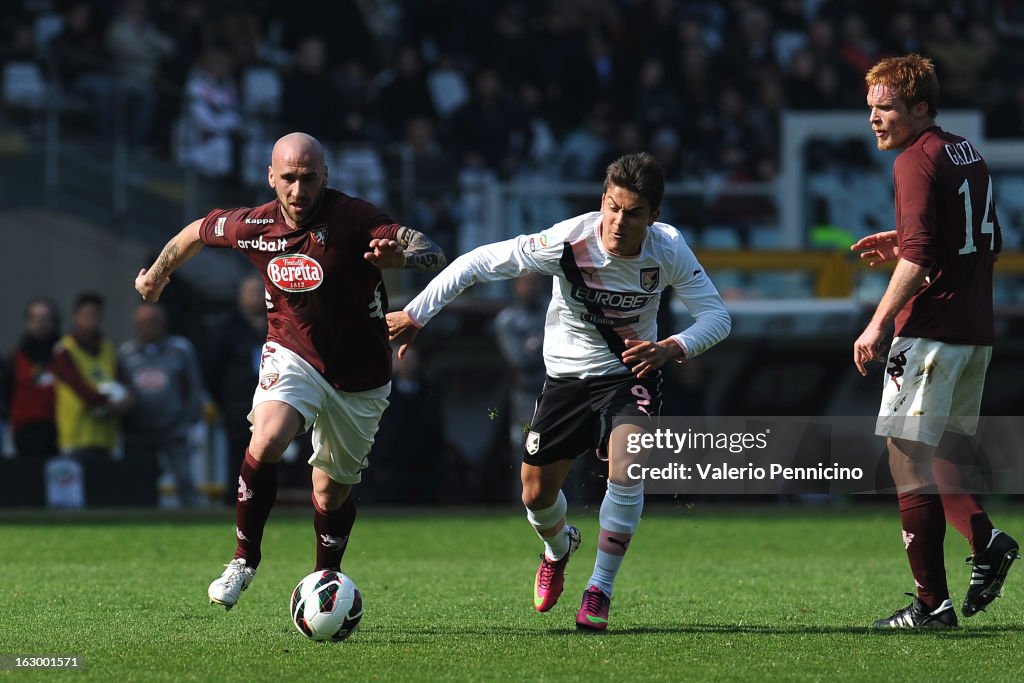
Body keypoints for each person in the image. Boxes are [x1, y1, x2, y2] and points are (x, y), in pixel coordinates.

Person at [388, 152, 731, 631]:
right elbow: (478, 262)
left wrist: (671, 347)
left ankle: (599, 590)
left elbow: (717, 317)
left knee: (628, 464)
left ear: (653, 217)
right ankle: (557, 547)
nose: (618, 221)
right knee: (534, 495)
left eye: (633, 213)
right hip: (565, 379)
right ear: (602, 202)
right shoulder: (568, 241)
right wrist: (415, 313)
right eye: (612, 207)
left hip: (629, 375)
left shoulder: (668, 248)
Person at [134, 132, 446, 610]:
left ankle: (328, 577)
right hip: (292, 353)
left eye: (308, 179)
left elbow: (430, 249)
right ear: (270, 177)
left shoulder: (355, 217)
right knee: (268, 436)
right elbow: (196, 231)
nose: (298, 192)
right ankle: (243, 558)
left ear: (326, 176)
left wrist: (402, 256)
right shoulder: (254, 224)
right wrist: (158, 274)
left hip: (361, 375)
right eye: (288, 179)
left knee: (330, 491)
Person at [852, 54, 1019, 629]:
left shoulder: (913, 162)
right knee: (941, 454)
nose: (875, 119)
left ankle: (933, 603)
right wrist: (904, 240)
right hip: (975, 330)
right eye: (871, 108)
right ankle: (984, 543)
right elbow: (974, 237)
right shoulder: (962, 149)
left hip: (930, 332)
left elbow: (923, 261)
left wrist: (876, 324)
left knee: (905, 460)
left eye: (888, 108)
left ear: (921, 107)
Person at [119, 303, 206, 507]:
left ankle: (196, 521)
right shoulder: (126, 353)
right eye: (143, 323)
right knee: (139, 482)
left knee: (184, 478)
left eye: (153, 322)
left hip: (174, 428)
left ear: (164, 323)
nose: (148, 327)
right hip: (139, 430)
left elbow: (194, 386)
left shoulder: (181, 349)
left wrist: (190, 419)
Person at [204, 274, 269, 506]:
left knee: (269, 454)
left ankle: (264, 502)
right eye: (251, 292)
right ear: (240, 297)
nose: (256, 297)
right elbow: (212, 368)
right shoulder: (226, 327)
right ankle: (237, 503)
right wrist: (224, 401)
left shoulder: (277, 323)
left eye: (260, 292)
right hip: (238, 405)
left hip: (271, 403)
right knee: (238, 456)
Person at [51, 292, 132, 462]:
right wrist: (109, 403)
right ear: (75, 317)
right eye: (86, 315)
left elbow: (122, 380)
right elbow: (79, 388)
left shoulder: (108, 348)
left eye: (95, 315)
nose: (90, 320)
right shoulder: (64, 351)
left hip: (106, 438)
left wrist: (128, 398)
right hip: (76, 438)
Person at [3, 297, 61, 457]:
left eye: (44, 318)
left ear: (53, 321)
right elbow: (6, 395)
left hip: (59, 435)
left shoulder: (64, 357)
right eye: (34, 318)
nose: (39, 323)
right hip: (23, 435)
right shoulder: (13, 359)